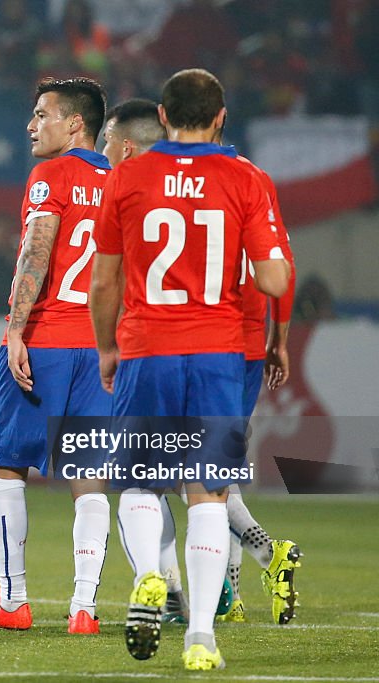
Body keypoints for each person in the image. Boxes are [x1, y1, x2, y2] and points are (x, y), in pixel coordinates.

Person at [90, 70, 290, 671]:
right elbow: (275, 279)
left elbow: (104, 279)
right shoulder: (246, 178)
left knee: (141, 482)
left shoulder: (127, 175)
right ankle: (201, 636)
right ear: (221, 116)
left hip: (147, 347)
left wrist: (105, 348)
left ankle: (151, 575)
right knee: (207, 493)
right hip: (219, 353)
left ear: (163, 112)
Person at [0, 77, 112, 635]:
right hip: (99, 348)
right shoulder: (122, 183)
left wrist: (18, 329)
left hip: (47, 337)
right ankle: (85, 610)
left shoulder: (51, 175)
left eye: (42, 114)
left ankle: (13, 600)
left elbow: (37, 250)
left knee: (7, 466)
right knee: (89, 477)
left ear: (76, 124)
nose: (31, 125)